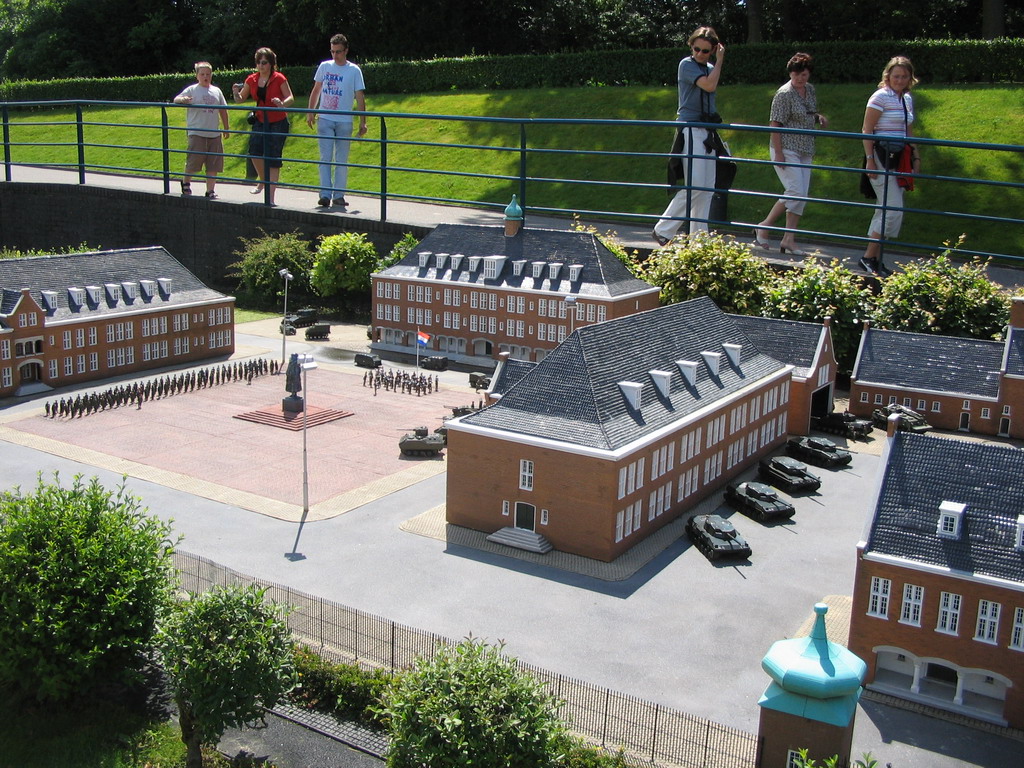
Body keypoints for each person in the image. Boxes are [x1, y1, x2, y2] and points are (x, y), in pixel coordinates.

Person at [652, 26, 726, 246]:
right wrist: (720, 61)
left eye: (706, 51)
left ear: (712, 50)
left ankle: (698, 239)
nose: (700, 54)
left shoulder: (710, 67)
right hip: (691, 128)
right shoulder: (686, 65)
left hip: (707, 129)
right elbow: (709, 86)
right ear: (691, 46)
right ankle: (663, 229)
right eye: (697, 49)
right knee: (695, 185)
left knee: (707, 187)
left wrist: (716, 63)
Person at [753, 52, 828, 256]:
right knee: (794, 191)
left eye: (803, 75)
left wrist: (818, 118)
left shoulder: (810, 90)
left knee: (801, 195)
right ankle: (765, 225)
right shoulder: (784, 94)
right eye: (796, 75)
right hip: (786, 148)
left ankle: (788, 239)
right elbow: (775, 124)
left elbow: (808, 113)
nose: (800, 79)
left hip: (805, 147)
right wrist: (778, 153)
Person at [859, 55, 920, 277]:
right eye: (896, 76)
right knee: (892, 210)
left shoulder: (907, 99)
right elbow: (867, 129)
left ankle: (874, 258)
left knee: (884, 210)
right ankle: (868, 256)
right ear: (888, 76)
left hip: (899, 159)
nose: (900, 80)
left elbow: (908, 130)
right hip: (881, 156)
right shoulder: (880, 97)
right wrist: (870, 159)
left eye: (904, 76)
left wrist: (916, 156)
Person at [306, 33, 367, 210]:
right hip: (325, 118)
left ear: (346, 51)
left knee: (341, 160)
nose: (335, 55)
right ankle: (325, 195)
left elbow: (360, 98)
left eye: (338, 52)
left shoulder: (354, 70)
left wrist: (363, 122)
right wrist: (311, 111)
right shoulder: (325, 67)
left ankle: (338, 195)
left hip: (344, 120)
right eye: (332, 51)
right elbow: (316, 90)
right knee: (325, 158)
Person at [232, 47, 294, 206]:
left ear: (271, 63)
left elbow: (290, 98)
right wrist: (235, 93)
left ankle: (270, 198)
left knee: (274, 157)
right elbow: (240, 99)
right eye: (258, 62)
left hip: (278, 121)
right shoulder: (251, 79)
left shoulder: (279, 78)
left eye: (264, 62)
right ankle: (263, 180)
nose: (261, 65)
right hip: (260, 119)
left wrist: (282, 104)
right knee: (254, 151)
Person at [172, 62, 230, 198]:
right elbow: (176, 99)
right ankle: (186, 182)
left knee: (213, 164)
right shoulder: (192, 89)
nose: (205, 77)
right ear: (197, 75)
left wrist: (226, 128)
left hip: (214, 133)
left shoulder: (217, 91)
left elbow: (223, 110)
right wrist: (183, 100)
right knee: (193, 161)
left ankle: (210, 190)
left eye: (208, 74)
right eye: (202, 74)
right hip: (197, 132)